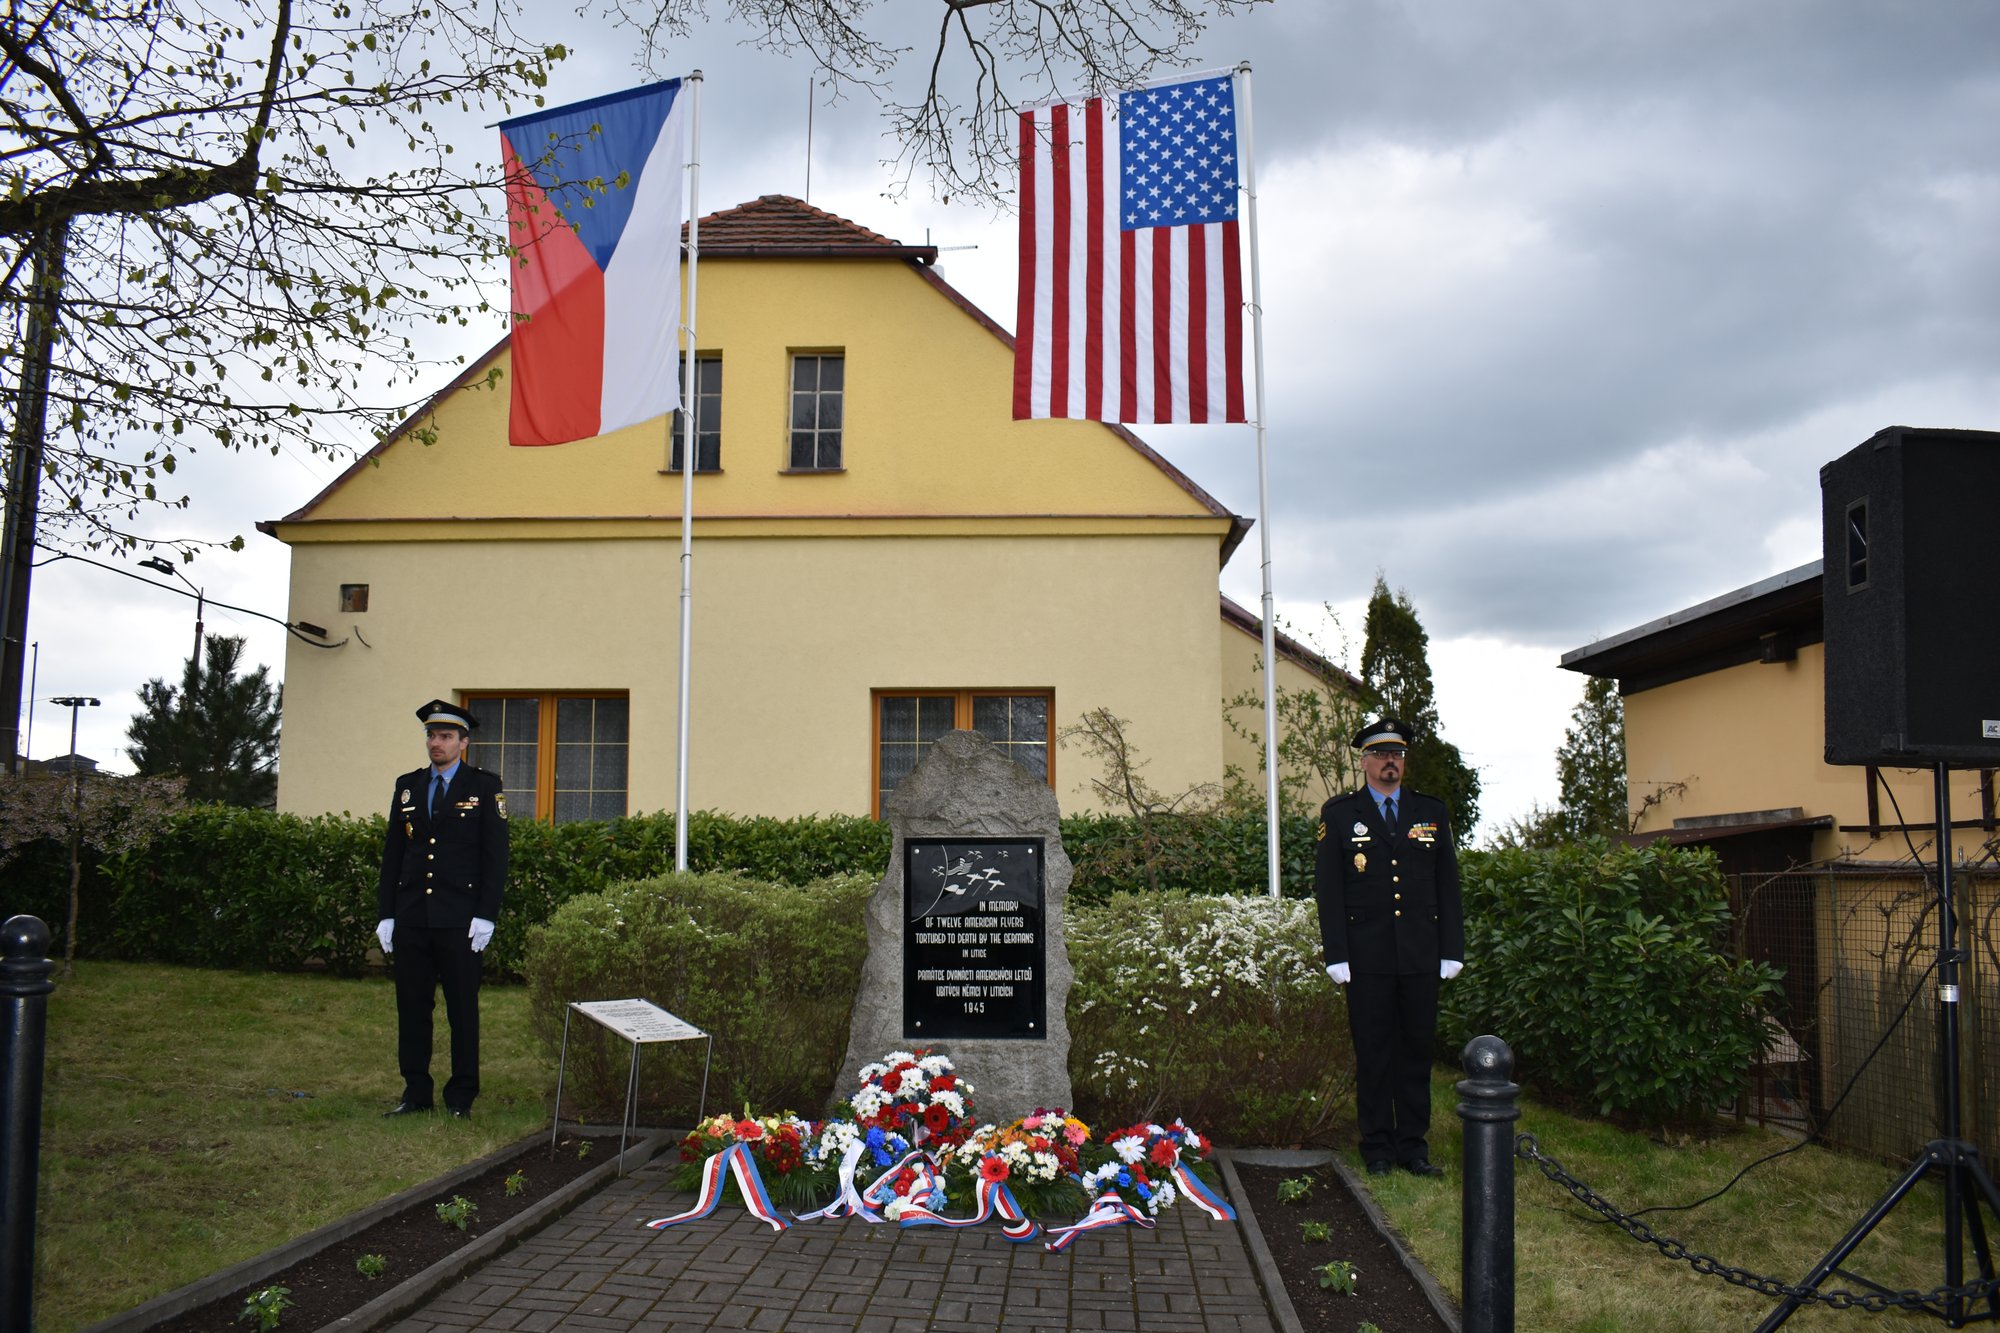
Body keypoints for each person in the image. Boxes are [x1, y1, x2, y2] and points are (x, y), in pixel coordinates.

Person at [1315, 718, 1465, 1177]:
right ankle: (1377, 1145)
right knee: (1376, 1051)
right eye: (1381, 755)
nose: (1390, 763)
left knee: (1416, 1052)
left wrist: (1451, 948)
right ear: (1364, 761)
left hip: (1421, 955)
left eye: (1397, 755)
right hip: (1367, 958)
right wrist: (1336, 953)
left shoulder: (1431, 812)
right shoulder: (1340, 814)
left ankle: (1413, 1146)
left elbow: (1447, 884)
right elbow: (1330, 889)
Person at [377, 699, 509, 1118]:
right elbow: (393, 854)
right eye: (432, 736)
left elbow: (495, 856)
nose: (437, 743)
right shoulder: (408, 785)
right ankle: (415, 1093)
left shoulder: (484, 786)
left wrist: (486, 913)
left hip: (460, 920)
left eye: (446, 736)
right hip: (413, 916)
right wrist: (387, 912)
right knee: (413, 1009)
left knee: (462, 1010)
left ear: (463, 743)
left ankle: (461, 1096)